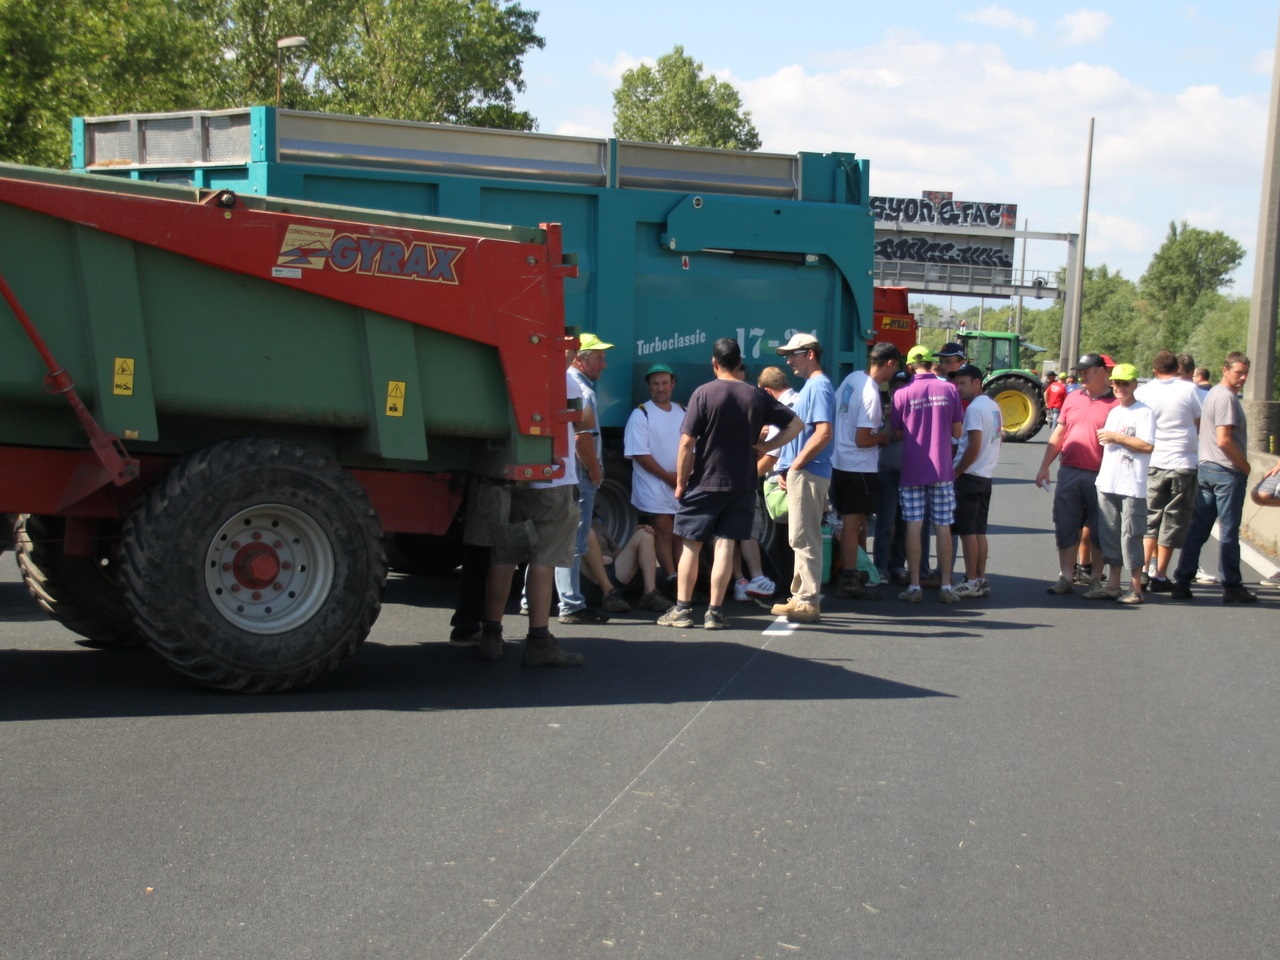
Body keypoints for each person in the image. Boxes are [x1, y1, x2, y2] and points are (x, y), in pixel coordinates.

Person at [657, 338, 801, 630]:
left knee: (691, 545)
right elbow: (796, 424)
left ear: (714, 364)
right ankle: (715, 612)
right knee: (725, 544)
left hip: (705, 481)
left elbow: (687, 444)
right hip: (742, 483)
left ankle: (682, 610)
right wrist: (766, 446)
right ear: (739, 364)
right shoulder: (756, 395)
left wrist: (681, 483)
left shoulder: (703, 394)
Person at [466, 363, 585, 666]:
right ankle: (538, 641)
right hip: (554, 480)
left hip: (514, 476)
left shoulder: (507, 370)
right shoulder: (565, 379)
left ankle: (491, 636)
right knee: (543, 562)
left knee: (503, 558)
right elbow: (582, 419)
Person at [1171, 352, 1257, 603]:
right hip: (1225, 471)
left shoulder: (1211, 394)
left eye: (1245, 373)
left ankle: (1182, 580)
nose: (1242, 378)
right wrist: (1244, 465)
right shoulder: (1227, 398)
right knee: (1229, 531)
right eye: (1238, 372)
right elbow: (1224, 439)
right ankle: (1231, 585)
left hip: (1206, 467)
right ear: (1225, 369)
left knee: (1198, 529)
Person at [1035, 353, 1118, 595]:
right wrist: (1044, 466)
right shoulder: (1072, 399)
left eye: (1087, 370)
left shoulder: (1115, 404)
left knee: (1099, 528)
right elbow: (1059, 434)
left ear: (1102, 371)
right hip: (1070, 471)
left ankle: (1095, 578)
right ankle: (1066, 577)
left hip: (1101, 475)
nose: (1081, 374)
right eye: (1080, 370)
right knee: (1065, 524)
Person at [769, 333, 835, 624]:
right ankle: (800, 597)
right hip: (804, 472)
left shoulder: (818, 386)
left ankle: (807, 600)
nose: (788, 360)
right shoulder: (812, 386)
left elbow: (823, 432)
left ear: (810, 353)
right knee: (800, 536)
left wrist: (794, 464)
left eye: (793, 353)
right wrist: (787, 465)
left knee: (805, 536)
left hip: (809, 472)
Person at [890, 344, 964, 603]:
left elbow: (898, 433)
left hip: (912, 469)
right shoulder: (949, 389)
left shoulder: (901, 394)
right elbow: (957, 432)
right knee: (943, 526)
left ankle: (914, 586)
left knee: (913, 525)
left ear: (909, 366)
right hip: (942, 469)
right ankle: (945, 585)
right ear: (932, 362)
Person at [831, 341, 900, 600]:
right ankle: (849, 576)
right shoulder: (871, 394)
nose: (894, 375)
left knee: (855, 523)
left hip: (839, 461)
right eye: (895, 368)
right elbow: (863, 439)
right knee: (852, 524)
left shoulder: (851, 379)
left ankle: (857, 569)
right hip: (858, 467)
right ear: (889, 362)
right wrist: (883, 437)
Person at [1133, 350, 1202, 592]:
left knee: (1150, 517)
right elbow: (1199, 422)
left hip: (1152, 461)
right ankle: (1160, 574)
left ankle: (1142, 569)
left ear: (1154, 370)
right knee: (1173, 519)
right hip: (1182, 462)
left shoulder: (1143, 391)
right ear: (1176, 368)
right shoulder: (1190, 390)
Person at [556, 334, 612, 625]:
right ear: (580, 358)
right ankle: (572, 605)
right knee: (574, 541)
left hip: (566, 474)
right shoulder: (582, 389)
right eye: (599, 357)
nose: (604, 364)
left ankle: (532, 600)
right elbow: (581, 436)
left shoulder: (568, 382)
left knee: (551, 541)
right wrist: (595, 469)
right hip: (579, 475)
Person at [1091, 364, 1156, 604]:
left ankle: (1136, 588)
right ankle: (1113, 584)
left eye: (1125, 383)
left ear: (1134, 385)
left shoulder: (1144, 412)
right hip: (1108, 479)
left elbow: (1147, 445)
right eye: (1116, 383)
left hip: (1132, 483)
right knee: (1109, 533)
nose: (1120, 387)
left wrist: (1116, 437)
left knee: (1131, 534)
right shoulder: (1115, 411)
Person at [624, 362, 684, 586]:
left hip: (678, 484)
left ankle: (681, 580)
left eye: (664, 383)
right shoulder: (641, 414)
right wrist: (669, 477)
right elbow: (639, 453)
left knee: (680, 533)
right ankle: (670, 577)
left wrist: (683, 476)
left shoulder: (682, 411)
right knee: (664, 530)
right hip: (653, 485)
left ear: (673, 384)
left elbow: (692, 447)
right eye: (655, 384)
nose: (660, 388)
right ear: (649, 387)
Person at [948, 364, 1003, 599]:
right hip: (985, 476)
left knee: (967, 532)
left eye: (963, 383)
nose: (958, 388)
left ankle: (971, 580)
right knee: (979, 531)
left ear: (977, 383)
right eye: (957, 383)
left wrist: (957, 472)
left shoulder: (974, 409)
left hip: (970, 476)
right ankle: (980, 578)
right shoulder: (993, 406)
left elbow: (974, 446)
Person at [583, 521, 669, 612]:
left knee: (644, 533)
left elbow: (617, 553)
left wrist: (634, 537)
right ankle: (608, 593)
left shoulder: (599, 526)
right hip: (587, 578)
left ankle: (650, 594)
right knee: (585, 532)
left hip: (613, 576)